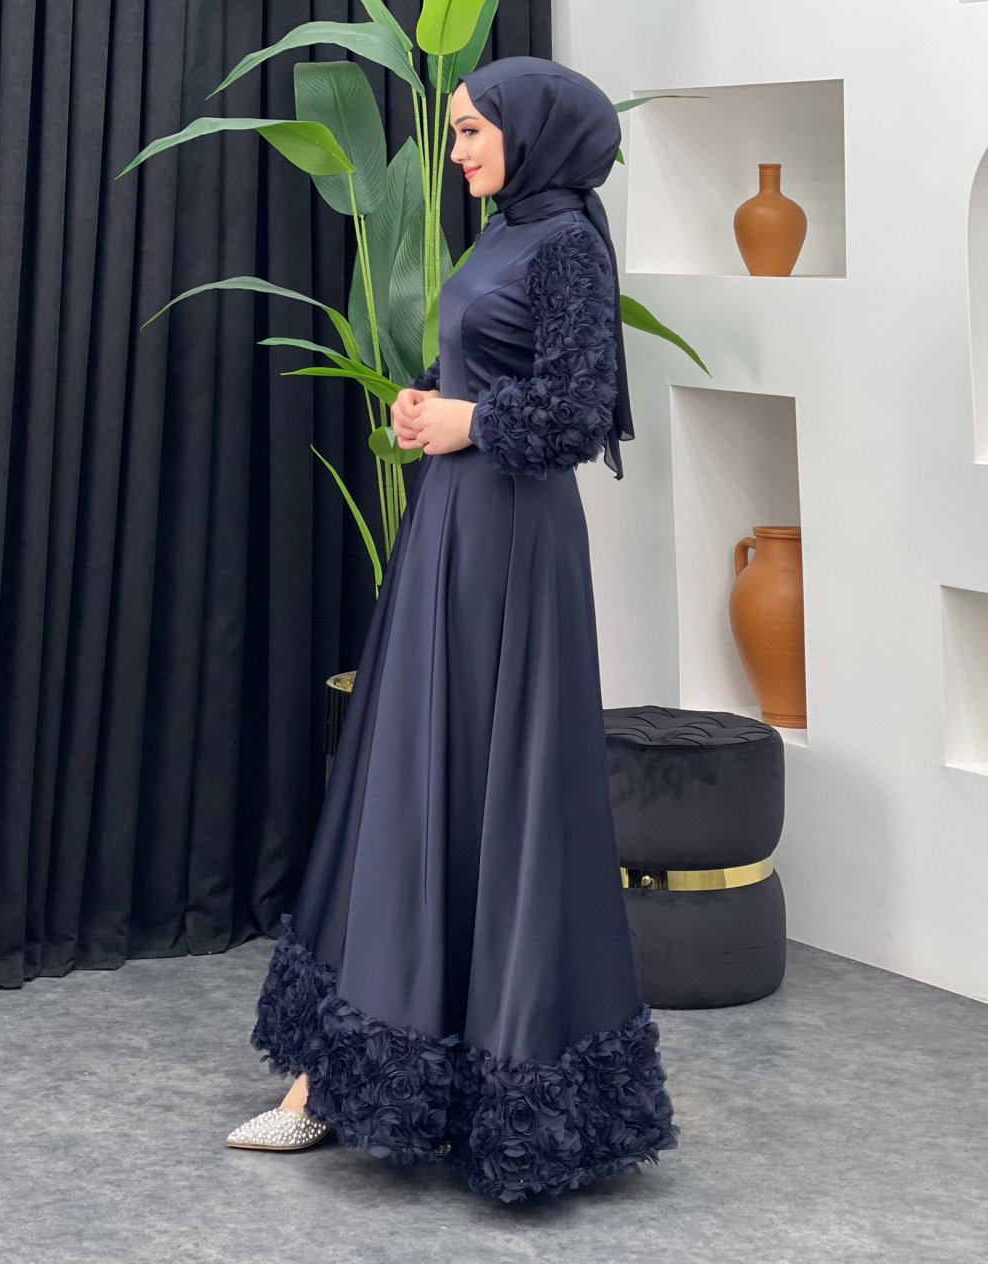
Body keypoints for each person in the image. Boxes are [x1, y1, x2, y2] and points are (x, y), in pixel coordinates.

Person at [226, 55, 680, 1203]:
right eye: (461, 131)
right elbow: (480, 366)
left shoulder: (567, 245)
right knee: (413, 782)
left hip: (516, 548)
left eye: (475, 132)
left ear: (533, 133)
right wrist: (427, 403)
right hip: (451, 535)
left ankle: (492, 1091)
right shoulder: (502, 232)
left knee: (499, 789)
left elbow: (578, 410)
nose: (460, 151)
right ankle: (334, 1078)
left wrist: (466, 420)